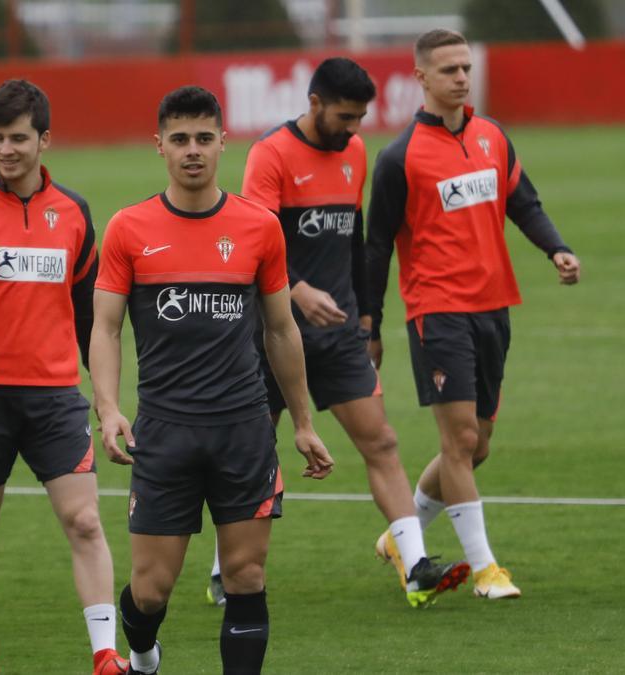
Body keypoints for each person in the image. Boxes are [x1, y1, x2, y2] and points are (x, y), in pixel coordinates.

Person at [198, 57, 470, 608]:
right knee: (256, 451)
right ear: (315, 103)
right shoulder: (271, 156)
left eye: (361, 118)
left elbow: (356, 241)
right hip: (271, 333)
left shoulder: (355, 152)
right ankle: (224, 570)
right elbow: (253, 242)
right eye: (345, 116)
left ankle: (415, 566)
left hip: (340, 332)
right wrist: (297, 292)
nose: (353, 128)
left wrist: (369, 319)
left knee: (382, 441)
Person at [91, 86, 333, 675]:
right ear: (160, 147)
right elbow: (104, 328)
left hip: (243, 429)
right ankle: (144, 655)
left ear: (224, 141)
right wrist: (108, 409)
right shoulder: (129, 228)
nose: (192, 150)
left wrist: (301, 422)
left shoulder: (259, 228)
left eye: (204, 138)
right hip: (166, 433)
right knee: (150, 591)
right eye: (180, 140)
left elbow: (281, 330)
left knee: (246, 576)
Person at [366, 29, 582, 600]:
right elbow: (376, 245)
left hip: (494, 308)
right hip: (437, 313)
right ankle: (485, 569)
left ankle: (400, 534)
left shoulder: (492, 137)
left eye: (465, 68)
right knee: (458, 438)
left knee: (477, 445)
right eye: (449, 70)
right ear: (421, 78)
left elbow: (522, 202)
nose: (462, 78)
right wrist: (370, 322)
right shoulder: (400, 157)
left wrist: (555, 247)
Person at [0, 79, 125, 675]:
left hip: (56, 396)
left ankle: (106, 655)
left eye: (17, 138)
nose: (5, 150)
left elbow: (92, 317)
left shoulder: (75, 212)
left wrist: (107, 402)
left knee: (85, 520)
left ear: (44, 139)